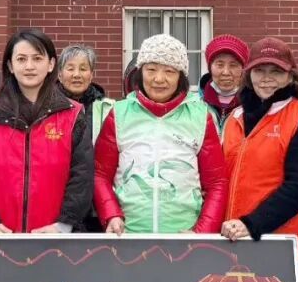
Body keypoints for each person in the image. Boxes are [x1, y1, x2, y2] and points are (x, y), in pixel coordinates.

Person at [0, 30, 94, 234]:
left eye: (37, 58)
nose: (29, 66)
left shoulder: (73, 116)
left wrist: (63, 225)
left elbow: (82, 176)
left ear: (51, 64)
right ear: (10, 65)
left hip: (56, 239)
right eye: (21, 59)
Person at [94, 34, 228, 235]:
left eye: (169, 71)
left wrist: (201, 233)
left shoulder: (200, 116)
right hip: (128, 235)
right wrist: (111, 214)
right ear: (140, 72)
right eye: (151, 69)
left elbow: (217, 182)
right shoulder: (119, 113)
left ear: (181, 77)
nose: (159, 79)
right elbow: (100, 174)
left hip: (183, 237)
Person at [220, 37, 298, 263]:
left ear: (290, 76)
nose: (266, 78)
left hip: (277, 243)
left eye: (276, 71)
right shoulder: (234, 117)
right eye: (259, 70)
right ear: (248, 75)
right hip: (229, 240)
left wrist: (252, 224)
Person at [57, 44, 115, 142]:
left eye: (83, 69)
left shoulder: (108, 108)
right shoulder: (47, 107)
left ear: (91, 75)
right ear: (60, 75)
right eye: (70, 69)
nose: (77, 75)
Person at [200, 34, 250, 131]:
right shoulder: (194, 104)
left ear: (243, 69)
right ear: (210, 68)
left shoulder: (254, 107)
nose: (226, 72)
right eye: (220, 65)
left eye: (233, 65)